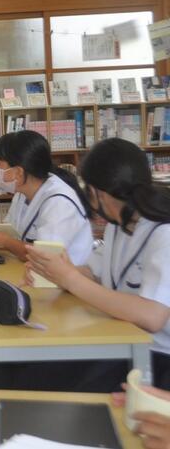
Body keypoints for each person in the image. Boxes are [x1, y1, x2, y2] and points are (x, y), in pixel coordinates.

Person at [27, 138, 170, 389]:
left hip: (157, 357)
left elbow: (152, 316)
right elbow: (93, 272)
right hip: (125, 339)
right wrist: (55, 272)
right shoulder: (119, 224)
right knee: (38, 369)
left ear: (96, 193)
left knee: (53, 380)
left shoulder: (163, 233)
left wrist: (70, 278)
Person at [0, 130, 93, 264]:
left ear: (18, 172)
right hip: (30, 269)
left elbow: (45, 256)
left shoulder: (59, 202)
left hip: (63, 275)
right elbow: (11, 231)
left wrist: (5, 242)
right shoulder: (22, 193)